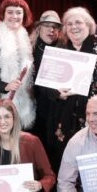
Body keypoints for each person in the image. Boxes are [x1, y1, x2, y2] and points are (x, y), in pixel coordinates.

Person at [38, 6, 97, 172]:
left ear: (88, 25)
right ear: (65, 28)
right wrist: (57, 93)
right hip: (68, 116)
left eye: (78, 22)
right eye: (69, 23)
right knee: (70, 164)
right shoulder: (59, 50)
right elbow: (44, 84)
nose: (74, 27)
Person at [0, 0, 37, 130]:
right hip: (1, 105)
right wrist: (5, 86)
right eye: (10, 12)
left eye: (18, 12)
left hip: (24, 104)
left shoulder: (25, 40)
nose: (14, 16)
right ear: (2, 15)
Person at [29, 10, 62, 142]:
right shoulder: (29, 49)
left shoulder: (65, 48)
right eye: (47, 25)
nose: (51, 30)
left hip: (56, 104)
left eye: (55, 27)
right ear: (39, 27)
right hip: (34, 103)